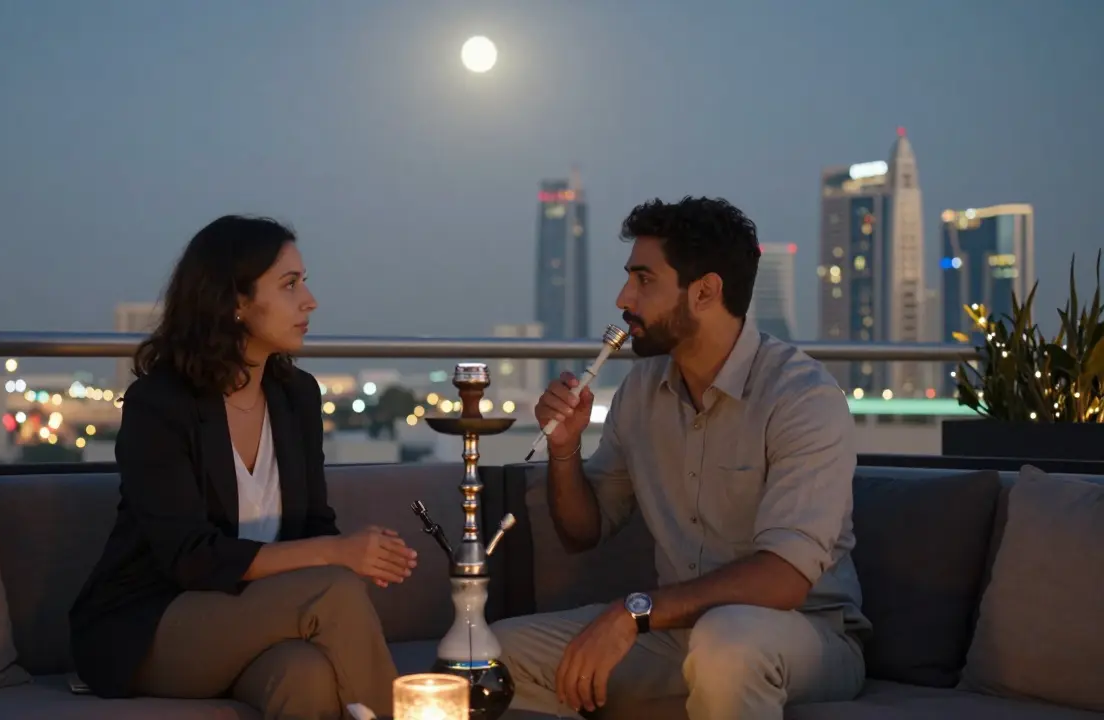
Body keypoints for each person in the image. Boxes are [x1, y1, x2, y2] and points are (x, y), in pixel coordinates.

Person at [492, 197, 869, 719]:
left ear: (706, 291)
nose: (624, 298)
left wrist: (633, 611)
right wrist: (565, 450)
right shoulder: (641, 390)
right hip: (677, 633)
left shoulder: (801, 397)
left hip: (802, 634)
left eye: (644, 280)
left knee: (728, 641)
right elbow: (584, 531)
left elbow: (784, 578)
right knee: (489, 658)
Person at [68, 215, 416, 719]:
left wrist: (352, 550)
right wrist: (334, 555)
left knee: (307, 676)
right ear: (234, 302)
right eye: (289, 285)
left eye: (305, 282)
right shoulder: (160, 404)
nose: (309, 300)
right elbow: (191, 557)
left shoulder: (296, 397)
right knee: (332, 589)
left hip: (257, 619)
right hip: (152, 626)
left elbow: (313, 524)